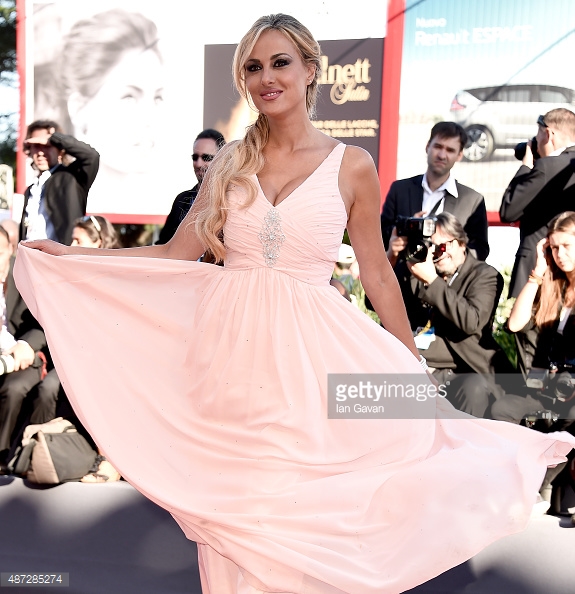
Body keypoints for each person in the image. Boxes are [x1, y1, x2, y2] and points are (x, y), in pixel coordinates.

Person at [15, 14, 575, 594]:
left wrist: (408, 365)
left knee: (297, 511)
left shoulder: (352, 164)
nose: (266, 77)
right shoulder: (230, 161)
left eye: (280, 62)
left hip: (308, 360)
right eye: (253, 67)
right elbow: (176, 253)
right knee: (233, 514)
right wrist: (70, 258)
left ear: (311, 70)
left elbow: (379, 276)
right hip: (226, 361)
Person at [395, 212, 506, 417]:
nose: (437, 254)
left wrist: (432, 281)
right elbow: (373, 301)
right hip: (418, 366)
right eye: (431, 248)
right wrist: (392, 255)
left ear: (461, 243)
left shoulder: (485, 275)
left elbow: (471, 321)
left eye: (442, 247)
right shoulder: (419, 267)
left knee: (474, 389)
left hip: (462, 370)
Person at [55, 9, 164, 215]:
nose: (150, 117)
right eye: (129, 97)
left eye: (157, 97)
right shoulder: (57, 197)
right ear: (79, 108)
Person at [492, 211, 575, 424]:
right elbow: (515, 324)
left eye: (566, 246)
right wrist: (538, 273)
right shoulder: (553, 287)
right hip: (545, 387)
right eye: (554, 247)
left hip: (572, 392)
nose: (560, 254)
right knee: (502, 410)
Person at [381, 121, 489, 265]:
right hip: (403, 279)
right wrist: (406, 229)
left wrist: (451, 253)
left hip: (447, 284)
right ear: (427, 147)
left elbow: (480, 250)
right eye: (438, 147)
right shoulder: (399, 190)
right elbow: (380, 235)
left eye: (450, 150)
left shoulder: (472, 201)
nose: (442, 155)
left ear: (460, 155)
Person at [500, 109, 575, 298]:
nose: (534, 142)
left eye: (537, 135)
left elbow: (508, 211)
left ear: (549, 133)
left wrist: (526, 166)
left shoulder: (547, 166)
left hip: (538, 269)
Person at [0, 227, 48, 468]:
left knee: (14, 389)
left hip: (24, 353)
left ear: (10, 249)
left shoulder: (25, 278)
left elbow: (42, 322)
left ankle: (3, 456)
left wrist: (26, 344)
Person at [20, 120, 99, 245]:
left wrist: (55, 138)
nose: (40, 152)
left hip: (59, 258)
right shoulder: (30, 190)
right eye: (36, 146)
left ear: (60, 150)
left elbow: (91, 156)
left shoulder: (71, 177)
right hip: (32, 258)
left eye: (46, 145)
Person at [157, 129, 226, 245]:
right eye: (195, 157)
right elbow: (164, 244)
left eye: (206, 157)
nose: (198, 164)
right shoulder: (181, 200)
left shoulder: (231, 200)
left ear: (221, 159)